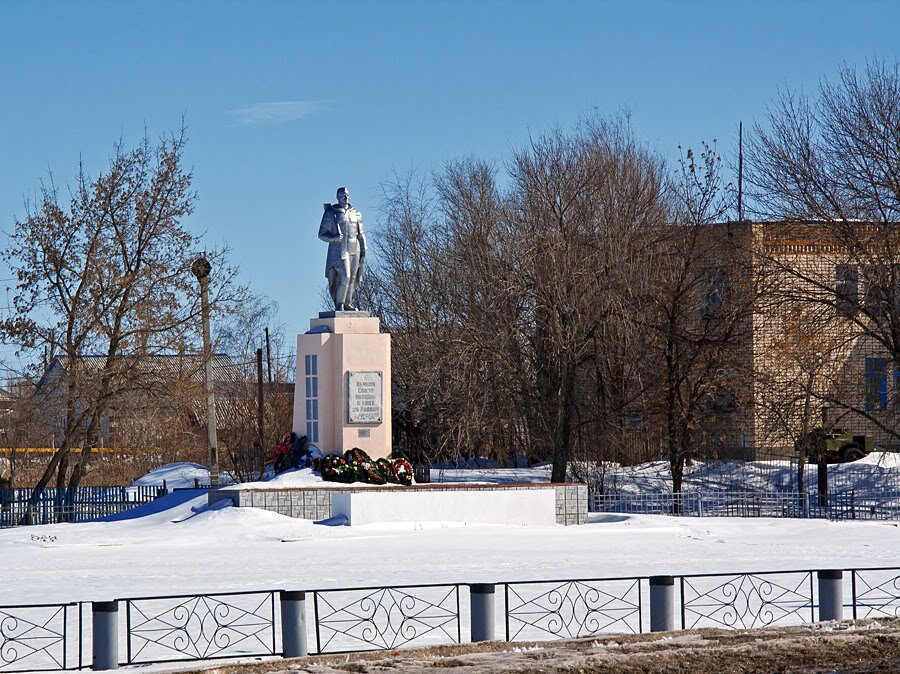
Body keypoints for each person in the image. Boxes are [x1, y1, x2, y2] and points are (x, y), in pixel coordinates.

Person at [318, 186, 367, 310]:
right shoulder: (331, 213)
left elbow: (361, 234)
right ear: (337, 197)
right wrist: (334, 238)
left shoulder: (356, 212)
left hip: (354, 249)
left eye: (347, 195)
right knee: (346, 277)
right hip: (339, 251)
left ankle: (347, 303)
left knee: (353, 279)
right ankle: (339, 304)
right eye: (342, 196)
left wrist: (364, 251)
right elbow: (321, 234)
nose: (345, 198)